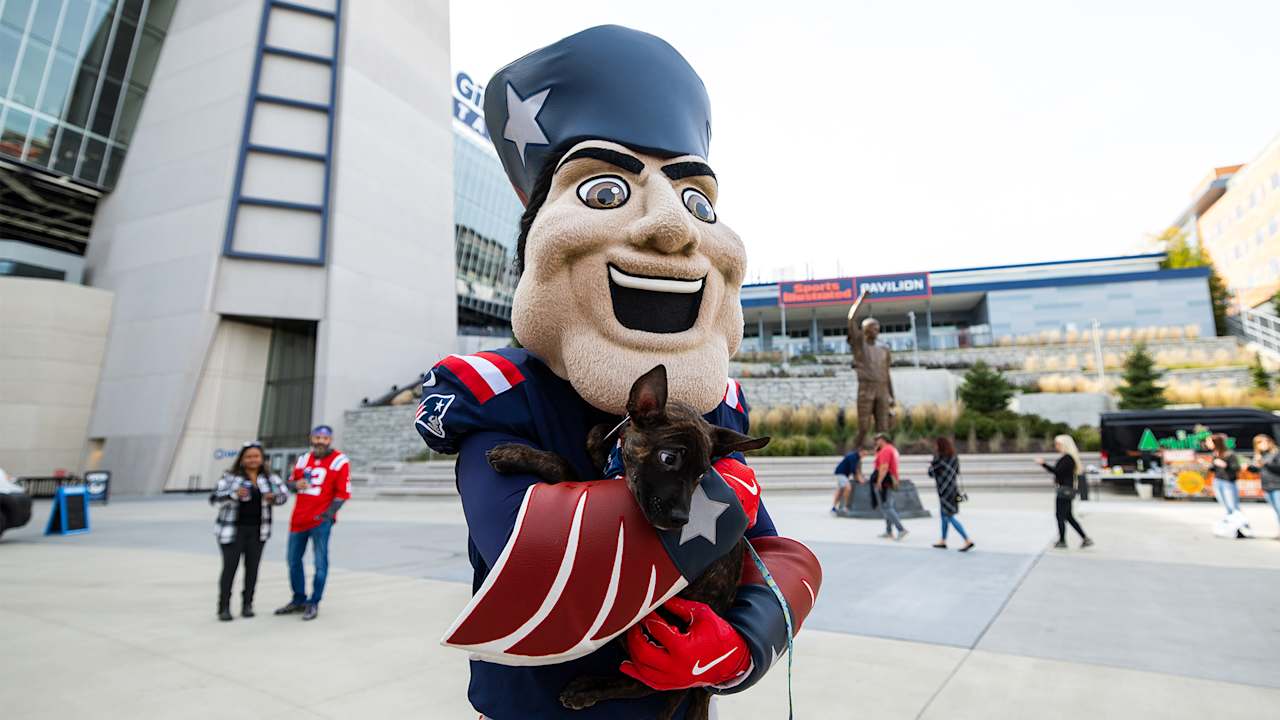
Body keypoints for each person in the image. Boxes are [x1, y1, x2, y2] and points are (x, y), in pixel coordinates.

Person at [414, 26, 822, 719]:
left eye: (699, 202)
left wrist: (740, 641)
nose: (673, 227)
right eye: (605, 190)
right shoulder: (499, 393)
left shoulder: (708, 403)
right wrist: (722, 501)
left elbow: (772, 554)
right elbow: (534, 559)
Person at [275, 425, 351, 622]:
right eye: (316, 437)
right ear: (311, 438)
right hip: (298, 519)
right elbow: (290, 483)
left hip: (320, 522)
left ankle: (314, 601)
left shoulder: (339, 460)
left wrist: (327, 516)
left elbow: (343, 493)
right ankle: (298, 599)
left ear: (330, 440)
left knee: (320, 563)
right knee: (293, 561)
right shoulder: (303, 458)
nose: (320, 441)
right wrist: (294, 484)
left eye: (324, 438)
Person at [210, 441, 288, 621]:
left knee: (252, 569)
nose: (253, 460)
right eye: (249, 457)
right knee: (230, 569)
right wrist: (234, 494)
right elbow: (214, 499)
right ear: (242, 459)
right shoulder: (230, 477)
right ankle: (224, 607)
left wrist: (274, 497)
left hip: (258, 531)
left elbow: (283, 495)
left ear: (262, 459)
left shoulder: (269, 478)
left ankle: (247, 605)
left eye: (256, 456)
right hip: (232, 531)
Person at [846, 290, 895, 450]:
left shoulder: (884, 350)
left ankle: (883, 457)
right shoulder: (860, 345)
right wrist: (861, 299)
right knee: (864, 427)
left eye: (878, 328)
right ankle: (854, 453)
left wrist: (892, 395)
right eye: (873, 328)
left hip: (882, 389)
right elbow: (851, 319)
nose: (877, 330)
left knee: (884, 427)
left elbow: (887, 374)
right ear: (865, 330)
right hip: (866, 388)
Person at [1037, 435, 1092, 549]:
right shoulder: (1069, 458)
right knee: (1068, 516)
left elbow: (1057, 472)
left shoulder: (1068, 458)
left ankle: (1062, 540)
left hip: (1064, 490)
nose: (1056, 446)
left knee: (1060, 516)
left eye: (1057, 444)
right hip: (1067, 489)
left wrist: (1043, 464)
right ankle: (1084, 538)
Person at [928, 436, 973, 551]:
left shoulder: (939, 459)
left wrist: (932, 462)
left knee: (949, 516)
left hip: (944, 492)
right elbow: (957, 472)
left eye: (936, 445)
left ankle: (967, 540)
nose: (935, 447)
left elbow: (931, 473)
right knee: (944, 516)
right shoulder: (954, 458)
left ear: (940, 446)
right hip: (953, 490)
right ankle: (943, 540)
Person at [1205, 433, 1250, 537]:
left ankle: (1242, 528)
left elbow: (1236, 468)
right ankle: (1232, 527)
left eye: (1209, 441)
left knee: (1233, 506)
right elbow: (1214, 469)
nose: (1207, 444)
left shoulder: (1229, 454)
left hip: (1228, 482)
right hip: (1218, 481)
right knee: (1225, 506)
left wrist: (1224, 464)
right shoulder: (1215, 454)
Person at [874, 433, 908, 540]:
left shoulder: (886, 450)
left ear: (883, 440)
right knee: (887, 506)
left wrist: (879, 481)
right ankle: (889, 531)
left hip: (886, 482)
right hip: (890, 480)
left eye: (877, 439)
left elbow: (884, 466)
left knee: (887, 507)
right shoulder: (890, 449)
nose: (876, 442)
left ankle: (901, 529)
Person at [1247, 434, 1280, 534]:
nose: (1262, 445)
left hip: (1277, 485)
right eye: (1259, 443)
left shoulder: (1276, 453)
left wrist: (1266, 464)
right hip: (1266, 486)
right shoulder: (1260, 455)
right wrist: (1250, 466)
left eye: (1264, 442)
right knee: (1276, 510)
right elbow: (1255, 470)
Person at [832, 448, 863, 514]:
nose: (864, 455)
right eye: (864, 453)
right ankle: (845, 507)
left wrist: (860, 478)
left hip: (843, 474)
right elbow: (854, 470)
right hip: (841, 473)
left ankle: (834, 507)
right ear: (860, 451)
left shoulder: (857, 458)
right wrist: (859, 479)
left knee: (840, 490)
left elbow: (857, 470)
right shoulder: (853, 457)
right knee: (848, 488)